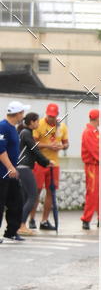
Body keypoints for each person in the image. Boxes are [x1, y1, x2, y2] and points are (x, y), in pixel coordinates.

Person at [31, 102, 69, 230]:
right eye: (49, 115)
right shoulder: (39, 124)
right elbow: (33, 144)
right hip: (39, 163)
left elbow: (66, 143)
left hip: (54, 164)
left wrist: (62, 146)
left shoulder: (62, 126)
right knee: (36, 191)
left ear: (57, 114)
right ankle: (31, 219)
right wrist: (48, 146)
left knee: (50, 192)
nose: (51, 118)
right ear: (46, 113)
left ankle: (44, 220)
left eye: (53, 116)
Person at [17, 112, 52, 237]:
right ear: (32, 122)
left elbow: (32, 153)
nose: (38, 123)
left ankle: (19, 225)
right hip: (24, 168)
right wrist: (46, 161)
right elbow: (35, 150)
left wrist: (44, 163)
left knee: (26, 197)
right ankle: (21, 225)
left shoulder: (25, 132)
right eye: (37, 121)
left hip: (23, 167)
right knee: (33, 196)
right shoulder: (26, 133)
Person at [0, 101, 29, 242]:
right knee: (1, 203)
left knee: (17, 201)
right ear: (17, 113)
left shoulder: (13, 128)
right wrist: (10, 167)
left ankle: (11, 231)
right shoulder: (3, 126)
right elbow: (0, 149)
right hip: (2, 172)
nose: (23, 116)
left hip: (11, 173)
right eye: (22, 113)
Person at [80, 108, 100, 230]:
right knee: (92, 193)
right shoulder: (89, 132)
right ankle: (86, 219)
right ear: (97, 118)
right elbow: (95, 151)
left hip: (99, 165)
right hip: (92, 166)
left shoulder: (96, 132)